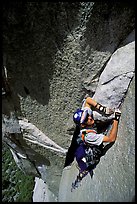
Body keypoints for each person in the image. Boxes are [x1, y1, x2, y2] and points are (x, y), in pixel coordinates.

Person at [68, 96, 121, 190]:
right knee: (94, 155)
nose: (89, 117)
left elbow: (88, 100)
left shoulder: (86, 117)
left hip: (85, 142)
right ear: (83, 125)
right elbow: (111, 139)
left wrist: (102, 109)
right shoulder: (89, 136)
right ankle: (82, 171)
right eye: (86, 119)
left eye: (87, 115)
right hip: (90, 146)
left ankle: (82, 168)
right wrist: (116, 119)